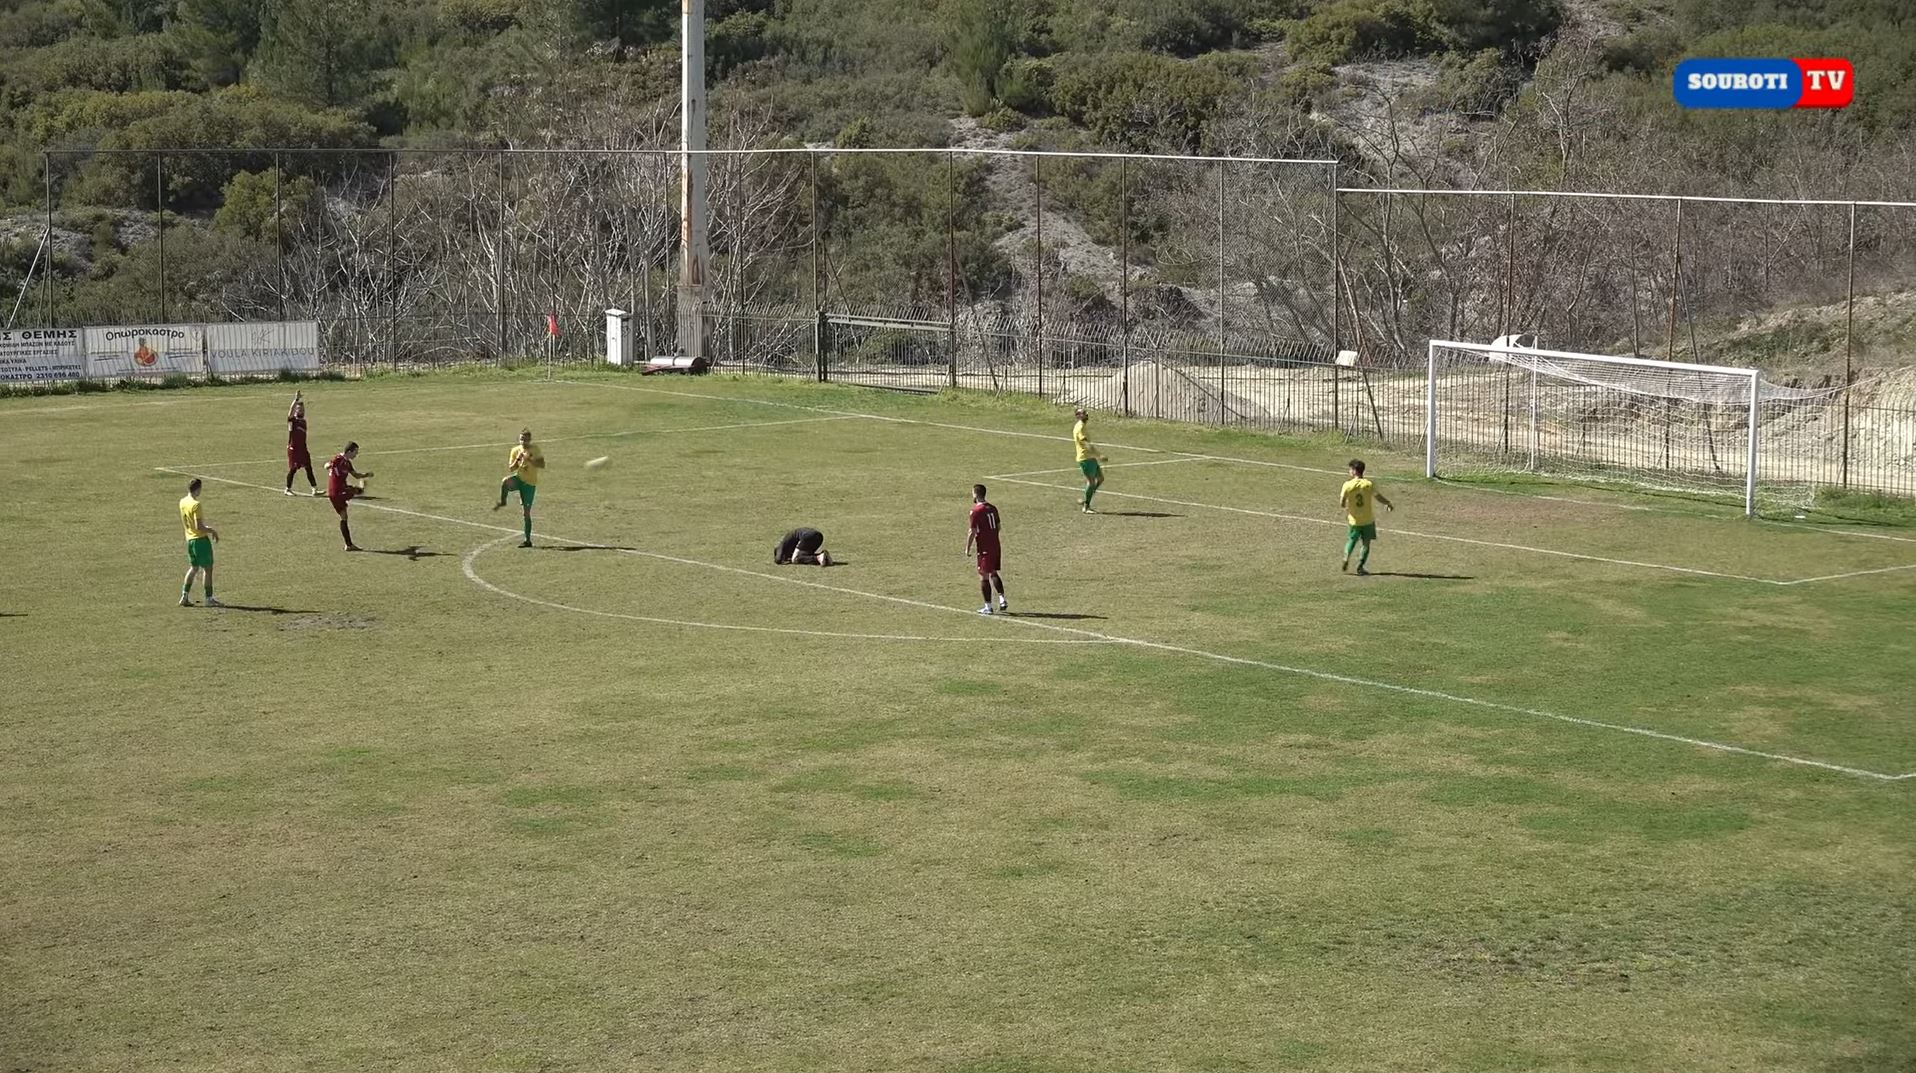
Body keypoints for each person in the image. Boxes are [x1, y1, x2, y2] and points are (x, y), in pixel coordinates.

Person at [1339, 458, 1394, 576]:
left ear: (1354, 471)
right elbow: (1378, 497)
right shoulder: (1368, 484)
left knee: (1351, 540)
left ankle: (1346, 557)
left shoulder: (1347, 485)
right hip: (1368, 520)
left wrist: (1345, 506)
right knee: (1366, 543)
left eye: (1350, 469)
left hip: (1354, 520)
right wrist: (1388, 503)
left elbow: (1342, 502)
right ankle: (1360, 566)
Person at [494, 428, 544, 548]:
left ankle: (528, 540)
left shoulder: (535, 449)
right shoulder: (515, 450)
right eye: (522, 439)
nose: (523, 442)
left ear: (530, 440)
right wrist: (518, 459)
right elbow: (511, 468)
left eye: (526, 439)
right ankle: (503, 501)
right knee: (506, 482)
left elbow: (542, 464)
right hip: (519, 480)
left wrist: (530, 460)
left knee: (526, 513)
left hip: (530, 484)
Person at [178, 478, 223, 607]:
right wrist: (212, 530)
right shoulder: (196, 504)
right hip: (200, 540)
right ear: (198, 489)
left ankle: (184, 596)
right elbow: (199, 526)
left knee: (194, 568)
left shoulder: (182, 501)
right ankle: (209, 599)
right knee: (208, 570)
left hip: (190, 540)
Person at [966, 484, 1007, 615]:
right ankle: (1002, 599)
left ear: (976, 494)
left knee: (984, 576)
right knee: (993, 572)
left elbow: (972, 532)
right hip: (996, 545)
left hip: (984, 548)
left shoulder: (975, 511)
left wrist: (967, 548)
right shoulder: (993, 508)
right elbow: (999, 526)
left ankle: (988, 607)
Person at [327, 442, 374, 552]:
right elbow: (327, 465)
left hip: (336, 492)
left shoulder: (347, 463)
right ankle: (348, 545)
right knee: (358, 491)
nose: (356, 455)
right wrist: (329, 465)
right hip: (338, 491)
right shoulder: (338, 459)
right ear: (349, 451)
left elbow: (356, 475)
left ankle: (348, 545)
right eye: (355, 452)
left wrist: (365, 475)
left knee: (344, 516)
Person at [1073, 407, 1108, 514]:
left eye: (1086, 413)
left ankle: (1086, 499)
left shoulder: (1082, 426)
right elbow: (1086, 444)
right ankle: (1086, 506)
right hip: (1085, 458)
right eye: (1083, 413)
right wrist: (1099, 455)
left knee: (1100, 479)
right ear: (1078, 416)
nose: (1086, 415)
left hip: (1090, 457)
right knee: (1091, 482)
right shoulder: (1080, 428)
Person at [284, 390, 318, 496]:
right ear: (295, 411)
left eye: (302, 409)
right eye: (299, 409)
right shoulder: (292, 421)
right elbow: (290, 412)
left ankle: (315, 489)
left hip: (303, 448)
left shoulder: (303, 422)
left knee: (308, 467)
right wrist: (296, 399)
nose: (301, 410)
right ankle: (287, 489)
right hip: (294, 449)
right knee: (293, 469)